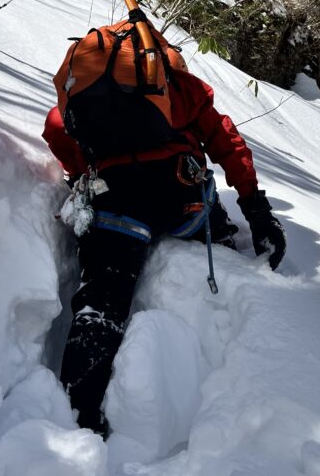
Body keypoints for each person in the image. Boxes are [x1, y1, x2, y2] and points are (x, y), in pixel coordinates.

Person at [42, 57, 286, 437]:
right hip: (180, 200)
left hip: (115, 198)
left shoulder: (88, 86)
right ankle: (225, 269)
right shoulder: (175, 82)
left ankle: (79, 415)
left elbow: (57, 128)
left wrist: (81, 169)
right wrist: (255, 208)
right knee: (215, 229)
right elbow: (226, 141)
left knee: (102, 301)